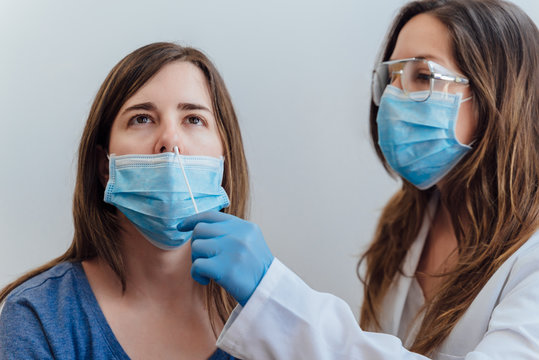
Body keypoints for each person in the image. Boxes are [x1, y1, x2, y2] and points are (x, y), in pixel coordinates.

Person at [178, 0, 539, 358]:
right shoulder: (405, 223)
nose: (394, 98)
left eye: (424, 76)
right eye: (391, 78)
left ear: (501, 95)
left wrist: (275, 294)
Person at [0, 42, 248, 359]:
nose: (170, 141)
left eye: (194, 119)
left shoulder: (266, 314)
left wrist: (273, 304)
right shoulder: (40, 317)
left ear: (225, 158)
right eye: (142, 118)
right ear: (105, 166)